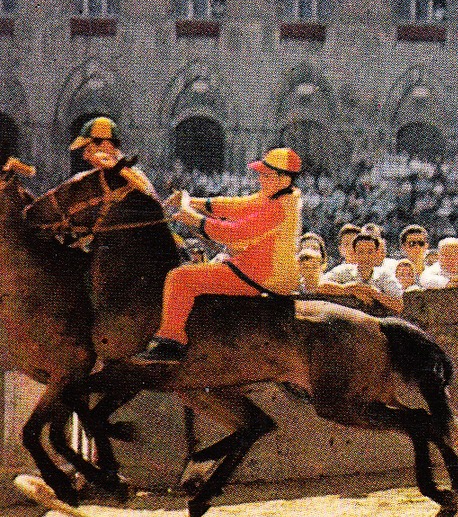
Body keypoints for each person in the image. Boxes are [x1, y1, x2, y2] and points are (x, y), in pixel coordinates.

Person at [135, 147, 305, 363]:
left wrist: (194, 218)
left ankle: (171, 343)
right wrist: (194, 202)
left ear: (284, 179)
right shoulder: (278, 197)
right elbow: (237, 206)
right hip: (258, 268)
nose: (260, 179)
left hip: (263, 274)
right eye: (261, 174)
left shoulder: (279, 206)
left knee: (180, 278)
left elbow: (234, 233)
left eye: (266, 175)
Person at [69, 117, 156, 196]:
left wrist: (117, 169)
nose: (85, 157)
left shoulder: (133, 175)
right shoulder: (94, 177)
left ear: (105, 144)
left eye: (88, 150)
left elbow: (149, 196)